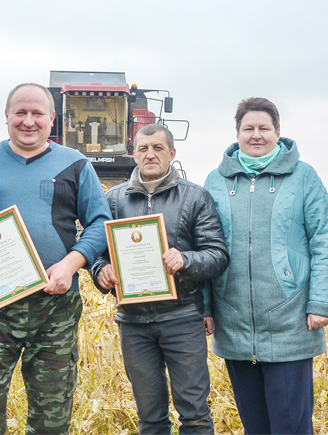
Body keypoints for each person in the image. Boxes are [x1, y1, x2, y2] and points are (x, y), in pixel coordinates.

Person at [0, 83, 111, 435]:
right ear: (6, 117)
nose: (28, 121)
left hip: (56, 308)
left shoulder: (76, 164)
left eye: (38, 114)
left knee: (51, 415)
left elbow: (99, 222)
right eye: (20, 113)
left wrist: (70, 264)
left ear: (52, 118)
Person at [203, 97, 328, 435]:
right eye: (248, 128)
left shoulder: (303, 177)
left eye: (264, 128)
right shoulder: (216, 181)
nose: (256, 135)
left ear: (278, 132)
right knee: (255, 427)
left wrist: (321, 303)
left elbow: (325, 239)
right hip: (233, 320)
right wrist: (206, 306)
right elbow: (204, 247)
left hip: (289, 321)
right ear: (237, 133)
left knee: (290, 426)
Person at [91, 123, 229, 434]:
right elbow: (94, 251)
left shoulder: (195, 197)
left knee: (194, 413)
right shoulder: (112, 201)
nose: (150, 154)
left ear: (172, 153)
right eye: (143, 148)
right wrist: (101, 271)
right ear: (133, 153)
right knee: (150, 417)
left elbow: (218, 254)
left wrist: (186, 259)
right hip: (133, 323)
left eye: (158, 148)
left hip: (182, 319)